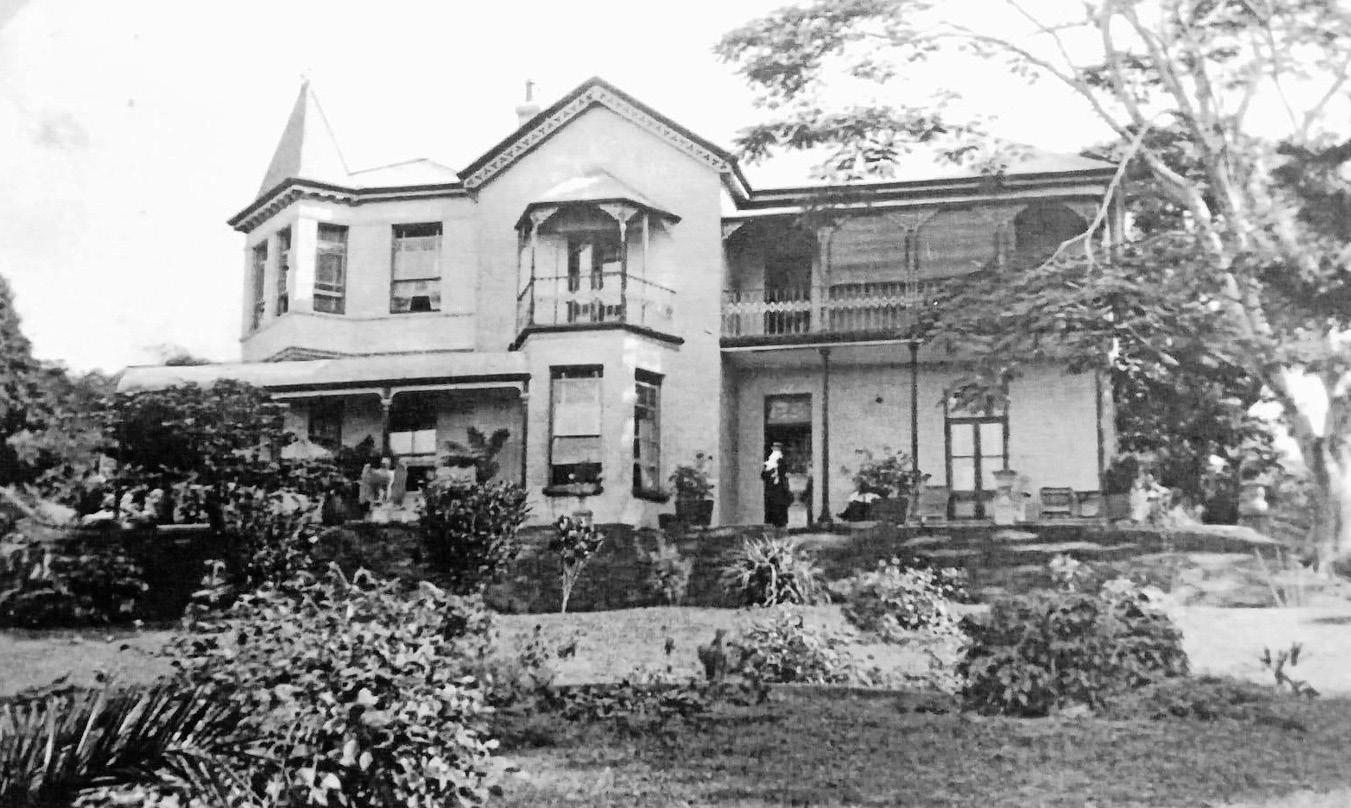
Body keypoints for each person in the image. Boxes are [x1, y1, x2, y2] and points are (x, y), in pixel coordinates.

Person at [761, 442, 791, 528]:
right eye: (774, 449)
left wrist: (776, 472)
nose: (775, 451)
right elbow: (763, 475)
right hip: (770, 489)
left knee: (779, 506)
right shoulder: (768, 462)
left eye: (777, 449)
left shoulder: (781, 461)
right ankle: (771, 523)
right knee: (770, 506)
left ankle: (780, 524)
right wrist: (769, 471)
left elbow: (783, 472)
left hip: (779, 489)